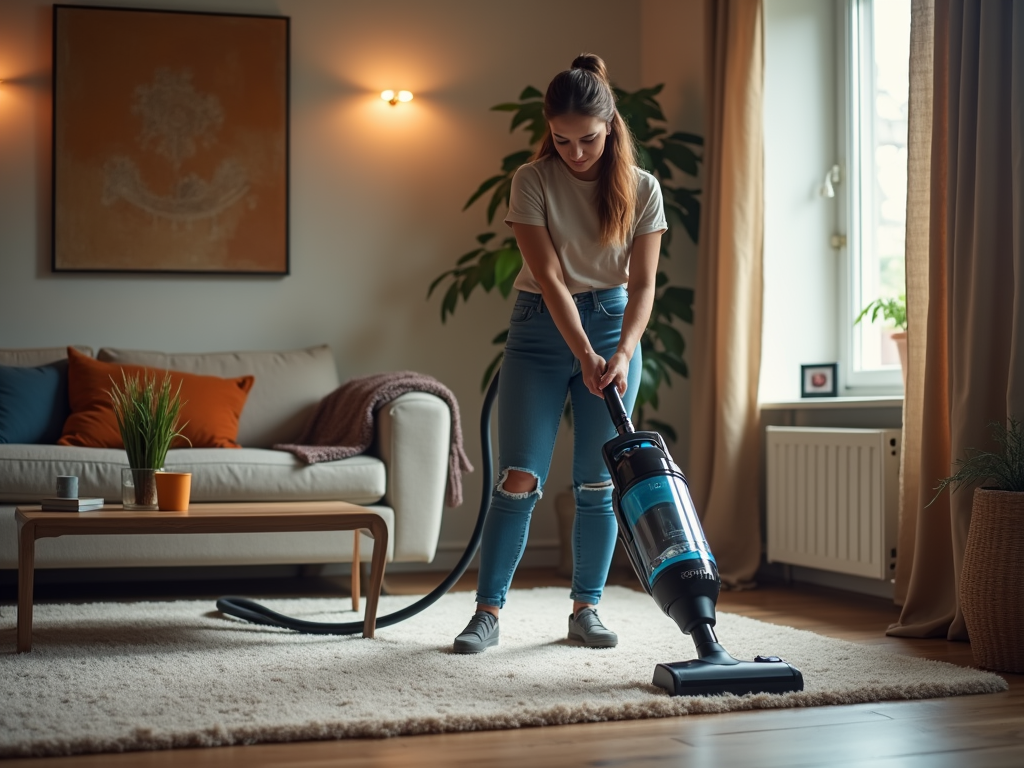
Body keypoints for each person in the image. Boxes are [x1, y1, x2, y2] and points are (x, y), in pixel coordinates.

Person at [453, 53, 667, 653]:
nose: (575, 153)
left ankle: (586, 610)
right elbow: (548, 278)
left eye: (588, 140)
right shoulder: (531, 180)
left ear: (611, 124)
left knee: (599, 482)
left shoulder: (642, 189)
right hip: (541, 333)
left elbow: (645, 285)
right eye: (562, 140)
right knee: (520, 476)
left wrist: (621, 353)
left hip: (613, 330)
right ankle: (487, 613)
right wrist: (582, 351)